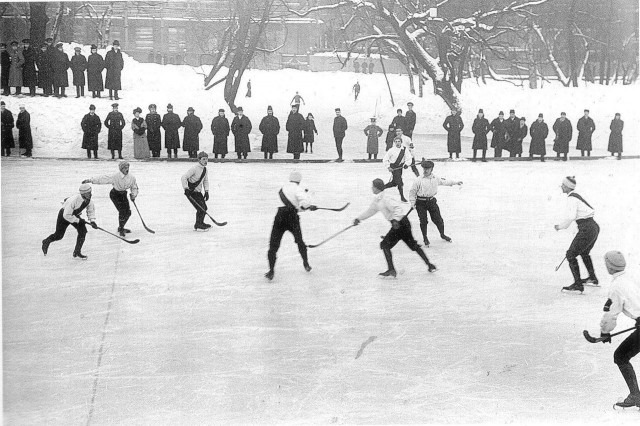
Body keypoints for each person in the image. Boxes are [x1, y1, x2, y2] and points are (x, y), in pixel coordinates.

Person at [353, 178, 437, 278]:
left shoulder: (386, 198)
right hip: (399, 224)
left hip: (400, 224)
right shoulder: (377, 200)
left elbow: (398, 208)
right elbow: (370, 211)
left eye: (373, 186)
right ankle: (429, 265)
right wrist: (359, 219)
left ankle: (391, 269)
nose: (372, 188)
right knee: (412, 245)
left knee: (385, 245)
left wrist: (396, 220)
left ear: (377, 188)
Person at [597, 251, 640, 409]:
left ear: (609, 266)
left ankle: (636, 395)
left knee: (620, 356)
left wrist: (605, 332)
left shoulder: (616, 287)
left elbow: (610, 315)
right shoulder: (633, 276)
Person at [265, 171, 317, 280]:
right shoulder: (298, 189)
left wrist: (304, 207)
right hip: (292, 218)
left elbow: (289, 204)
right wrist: (307, 207)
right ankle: (306, 264)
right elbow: (304, 204)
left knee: (273, 244)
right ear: (299, 180)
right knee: (299, 241)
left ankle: (271, 270)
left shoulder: (282, 188)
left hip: (279, 216)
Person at [555, 176, 600, 292]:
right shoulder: (576, 196)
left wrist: (560, 227)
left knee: (570, 254)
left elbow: (571, 217)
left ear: (567, 187)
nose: (561, 187)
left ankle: (578, 284)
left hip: (587, 228)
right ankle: (593, 278)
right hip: (593, 227)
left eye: (563, 185)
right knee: (584, 253)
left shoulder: (571, 198)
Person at [409, 159, 462, 246]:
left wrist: (456, 182)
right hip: (420, 203)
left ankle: (442, 234)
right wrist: (412, 202)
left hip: (431, 202)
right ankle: (425, 238)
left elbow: (445, 182)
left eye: (427, 169)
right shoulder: (418, 180)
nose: (425, 170)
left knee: (438, 220)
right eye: (424, 169)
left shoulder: (435, 178)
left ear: (431, 169)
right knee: (423, 221)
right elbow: (412, 192)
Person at [41, 184, 98, 259]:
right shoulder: (74, 200)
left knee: (83, 231)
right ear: (83, 194)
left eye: (90, 192)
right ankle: (46, 241)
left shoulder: (89, 201)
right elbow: (66, 215)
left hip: (74, 215)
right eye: (88, 193)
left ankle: (77, 251)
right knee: (59, 235)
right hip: (64, 215)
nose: (90, 194)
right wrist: (78, 220)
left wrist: (92, 221)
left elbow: (90, 211)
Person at [83, 162, 139, 236]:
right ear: (121, 169)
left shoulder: (131, 177)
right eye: (125, 168)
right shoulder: (115, 176)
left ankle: (120, 227)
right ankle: (121, 229)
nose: (127, 169)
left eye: (128, 167)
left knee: (128, 212)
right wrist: (90, 180)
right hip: (115, 194)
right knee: (122, 212)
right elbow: (103, 179)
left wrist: (133, 195)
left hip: (123, 194)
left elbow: (134, 187)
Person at [181, 151, 211, 230]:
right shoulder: (194, 168)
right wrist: (186, 188)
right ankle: (198, 225)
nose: (205, 161)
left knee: (204, 208)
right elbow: (183, 177)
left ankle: (201, 222)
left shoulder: (205, 170)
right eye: (203, 159)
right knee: (200, 208)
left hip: (198, 192)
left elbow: (205, 181)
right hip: (191, 192)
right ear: (199, 160)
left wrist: (206, 191)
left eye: (207, 159)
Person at [383, 137, 411, 202]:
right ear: (394, 142)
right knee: (399, 182)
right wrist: (388, 167)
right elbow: (385, 159)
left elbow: (409, 158)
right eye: (396, 141)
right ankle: (402, 197)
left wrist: (406, 164)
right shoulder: (391, 150)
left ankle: (381, 187)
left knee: (394, 183)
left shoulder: (404, 149)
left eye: (399, 141)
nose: (397, 143)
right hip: (394, 167)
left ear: (401, 142)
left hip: (400, 167)